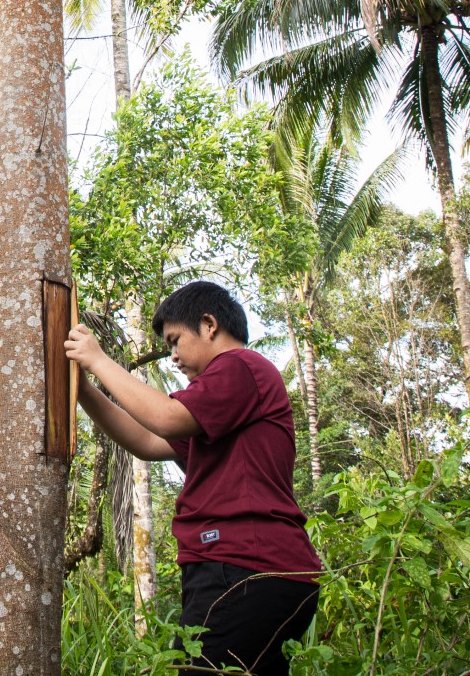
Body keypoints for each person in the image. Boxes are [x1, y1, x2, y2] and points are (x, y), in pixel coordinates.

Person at [64, 279, 322, 675]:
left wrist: (97, 360)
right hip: (263, 571)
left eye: (175, 341)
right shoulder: (219, 407)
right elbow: (149, 441)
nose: (173, 356)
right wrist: (83, 391)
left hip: (241, 566)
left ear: (208, 325)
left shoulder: (238, 367)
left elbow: (165, 417)